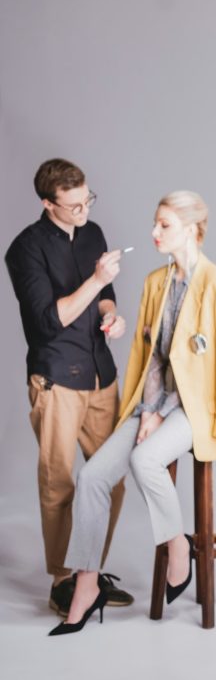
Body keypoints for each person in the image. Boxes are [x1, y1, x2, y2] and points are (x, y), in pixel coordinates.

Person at [49, 190, 216, 635]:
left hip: (201, 409)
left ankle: (177, 548)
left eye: (164, 225)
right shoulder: (157, 283)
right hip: (153, 402)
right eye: (155, 224)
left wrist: (166, 414)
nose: (154, 232)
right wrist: (148, 411)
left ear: (192, 230)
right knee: (92, 477)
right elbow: (154, 359)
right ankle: (85, 583)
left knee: (144, 460)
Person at [5, 159, 135, 617]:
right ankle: (64, 581)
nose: (83, 211)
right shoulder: (25, 249)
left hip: (102, 373)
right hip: (57, 377)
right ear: (48, 203)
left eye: (87, 201)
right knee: (58, 484)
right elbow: (47, 321)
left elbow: (104, 298)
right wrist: (97, 279)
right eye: (73, 205)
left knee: (110, 479)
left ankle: (89, 573)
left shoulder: (94, 232)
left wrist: (109, 314)